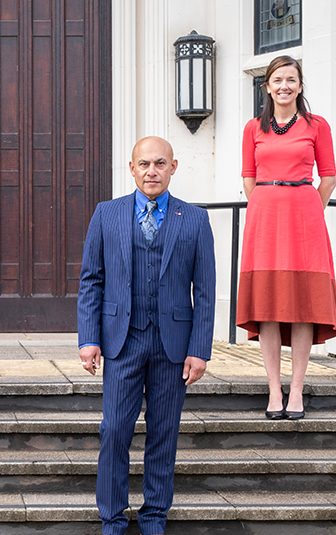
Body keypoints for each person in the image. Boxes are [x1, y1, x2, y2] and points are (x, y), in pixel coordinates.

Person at [78, 137, 216, 535]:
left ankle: (155, 514)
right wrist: (89, 338)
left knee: (163, 432)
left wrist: (199, 349)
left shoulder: (195, 219)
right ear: (131, 168)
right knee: (115, 430)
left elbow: (204, 290)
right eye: (144, 164)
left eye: (159, 163)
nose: (151, 171)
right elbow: (91, 280)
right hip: (122, 339)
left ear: (173, 167)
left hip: (173, 343)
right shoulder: (107, 214)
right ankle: (112, 517)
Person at [236, 55, 336, 421]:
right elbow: (248, 178)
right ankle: (274, 389)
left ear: (300, 85)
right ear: (266, 86)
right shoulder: (253, 128)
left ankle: (296, 389)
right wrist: (268, 205)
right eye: (277, 80)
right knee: (266, 305)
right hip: (264, 219)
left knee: (301, 305)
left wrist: (309, 208)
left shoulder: (317, 126)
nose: (284, 86)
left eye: (291, 80)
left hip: (305, 219)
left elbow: (327, 178)